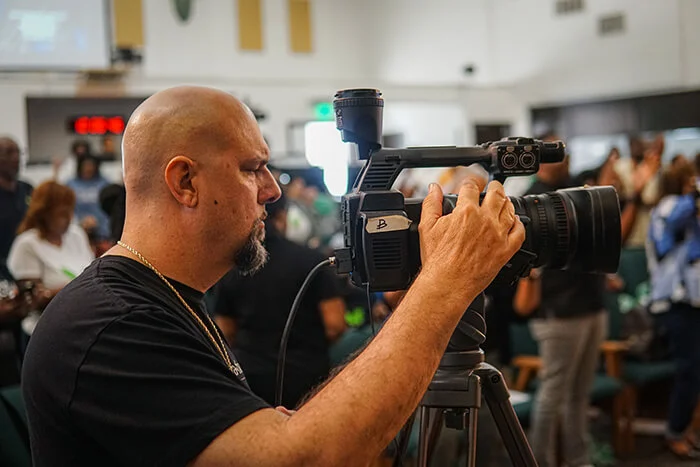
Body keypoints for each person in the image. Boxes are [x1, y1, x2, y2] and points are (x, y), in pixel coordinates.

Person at [21, 85, 524, 467]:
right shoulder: (112, 325)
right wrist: (446, 282)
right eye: (252, 167)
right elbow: (302, 460)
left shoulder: (166, 298)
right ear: (185, 181)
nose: (272, 191)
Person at [513, 135, 607, 467]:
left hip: (592, 304)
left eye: (563, 151)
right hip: (557, 312)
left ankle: (578, 459)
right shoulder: (529, 200)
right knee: (552, 395)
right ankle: (540, 461)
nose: (562, 158)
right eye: (553, 153)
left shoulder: (578, 189)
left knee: (580, 394)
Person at [212, 190, 346, 408]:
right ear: (283, 216)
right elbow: (335, 324)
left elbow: (224, 332)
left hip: (250, 383)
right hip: (308, 378)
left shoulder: (233, 267)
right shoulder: (311, 260)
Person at [647, 159, 700, 459]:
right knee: (688, 370)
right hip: (675, 301)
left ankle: (684, 429)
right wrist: (693, 197)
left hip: (691, 300)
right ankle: (675, 432)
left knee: (694, 370)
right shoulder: (669, 206)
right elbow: (675, 223)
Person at [8, 181, 95, 336]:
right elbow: (33, 300)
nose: (69, 218)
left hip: (84, 321)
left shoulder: (75, 235)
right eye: (62, 214)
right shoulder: (27, 244)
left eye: (71, 212)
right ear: (45, 213)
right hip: (45, 329)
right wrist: (80, 287)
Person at [66, 155, 112, 245]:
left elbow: (109, 209)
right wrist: (80, 221)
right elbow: (67, 208)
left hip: (101, 228)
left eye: (91, 166)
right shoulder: (70, 184)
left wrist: (96, 221)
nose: (89, 169)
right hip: (77, 225)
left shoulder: (104, 183)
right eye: (86, 165)